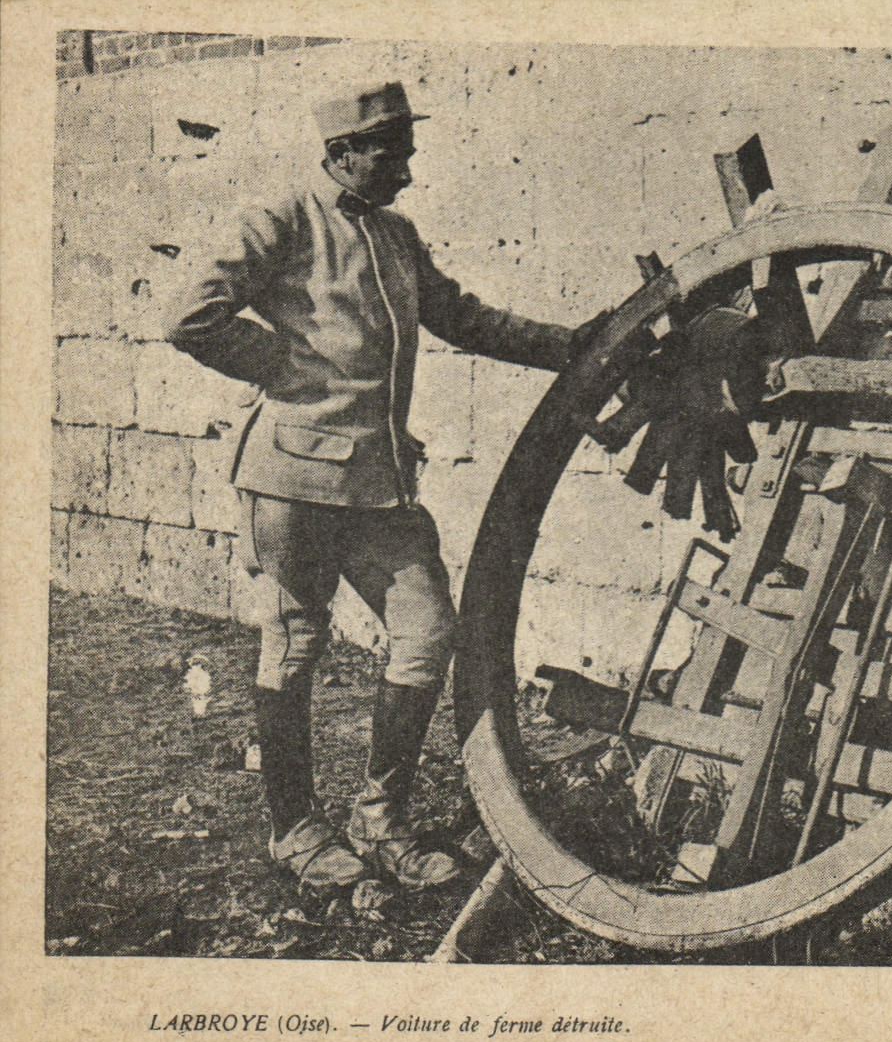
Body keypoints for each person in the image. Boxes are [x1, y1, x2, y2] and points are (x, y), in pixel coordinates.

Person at [167, 80, 606, 893]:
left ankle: (382, 821)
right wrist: (284, 367)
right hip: (291, 479)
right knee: (296, 645)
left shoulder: (397, 235)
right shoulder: (281, 219)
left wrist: (573, 344)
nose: (406, 167)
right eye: (390, 151)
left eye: (405, 148)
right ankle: (295, 830)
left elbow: (464, 318)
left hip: (382, 486)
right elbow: (190, 315)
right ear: (341, 153)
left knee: (427, 632)